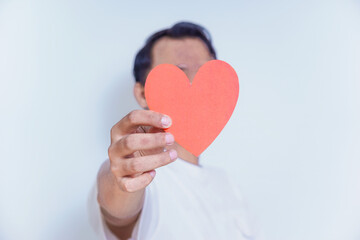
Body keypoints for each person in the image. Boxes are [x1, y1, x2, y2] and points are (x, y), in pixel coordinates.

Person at [88, 22, 255, 240]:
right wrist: (121, 179)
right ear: (142, 94)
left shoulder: (228, 184)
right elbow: (118, 212)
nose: (196, 83)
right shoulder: (142, 175)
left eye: (206, 72)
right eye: (180, 71)